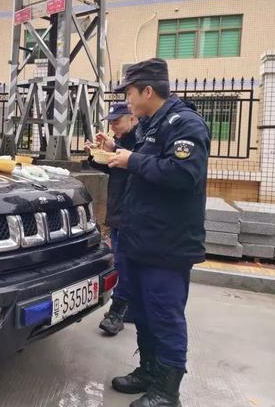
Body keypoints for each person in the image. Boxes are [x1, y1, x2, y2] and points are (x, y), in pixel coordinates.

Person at [107, 58, 210, 407]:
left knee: (165, 315)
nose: (128, 102)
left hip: (168, 245)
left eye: (130, 94)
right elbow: (139, 164)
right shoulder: (151, 126)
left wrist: (131, 160)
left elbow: (183, 174)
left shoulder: (185, 124)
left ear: (147, 91)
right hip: (142, 239)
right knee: (143, 311)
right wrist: (112, 153)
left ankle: (168, 392)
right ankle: (148, 372)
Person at [85, 102, 138, 336]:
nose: (113, 126)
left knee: (123, 264)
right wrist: (94, 156)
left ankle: (116, 312)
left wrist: (113, 146)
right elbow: (113, 168)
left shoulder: (140, 142)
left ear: (132, 119)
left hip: (130, 215)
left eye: (118, 121)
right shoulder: (123, 143)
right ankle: (131, 309)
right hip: (118, 214)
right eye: (112, 122)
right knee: (126, 263)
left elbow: (136, 164)